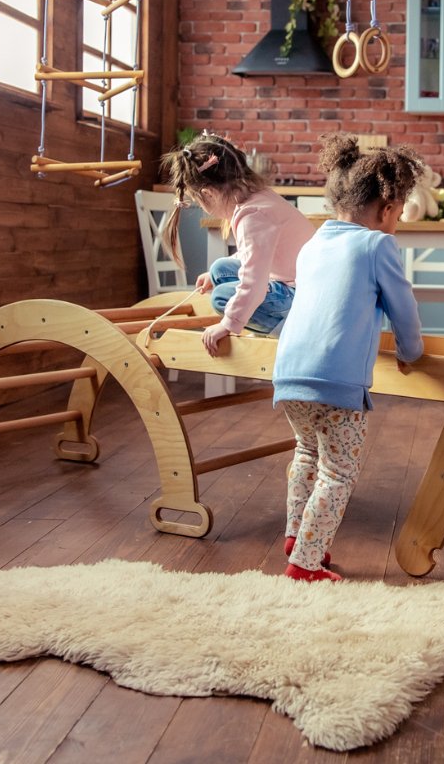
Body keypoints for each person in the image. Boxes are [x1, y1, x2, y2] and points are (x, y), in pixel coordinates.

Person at [272, 134, 425, 582]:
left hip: (289, 376)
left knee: (305, 453)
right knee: (338, 473)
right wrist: (410, 352)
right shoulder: (378, 246)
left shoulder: (314, 244)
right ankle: (304, 563)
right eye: (398, 212)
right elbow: (404, 308)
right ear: (388, 208)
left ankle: (297, 535)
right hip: (337, 384)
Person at [161, 132, 315, 357]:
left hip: (303, 296)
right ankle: (271, 320)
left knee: (221, 297)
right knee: (219, 271)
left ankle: (294, 334)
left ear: (208, 194)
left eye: (198, 201)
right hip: (296, 282)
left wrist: (228, 324)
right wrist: (212, 276)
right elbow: (253, 254)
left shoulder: (253, 216)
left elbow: (255, 282)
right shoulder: (259, 198)